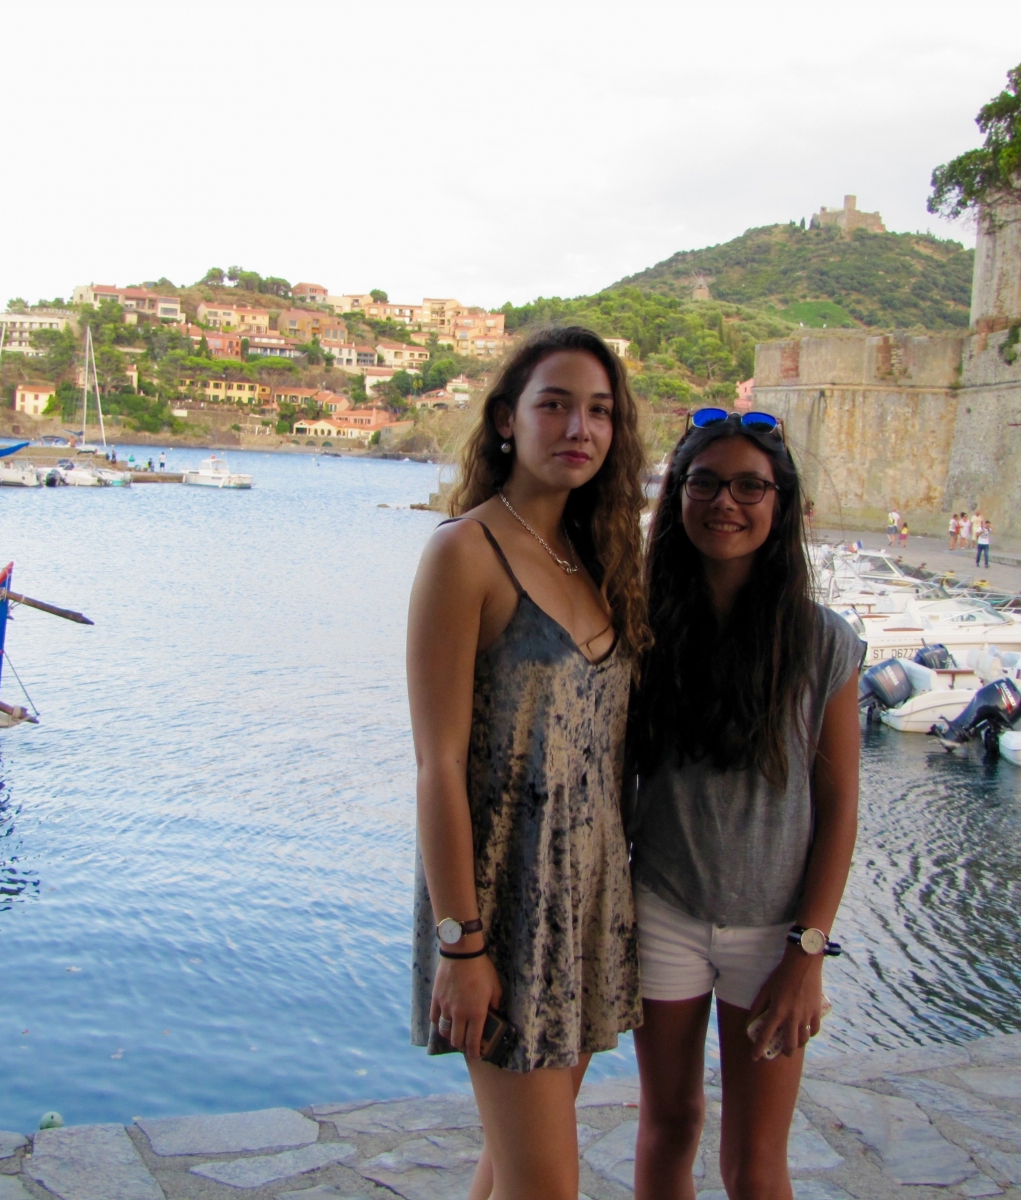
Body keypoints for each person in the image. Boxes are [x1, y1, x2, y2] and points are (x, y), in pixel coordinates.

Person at [407, 326, 648, 1200]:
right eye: (556, 405)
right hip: (500, 909)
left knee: (511, 1167)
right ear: (508, 420)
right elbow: (437, 764)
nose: (580, 427)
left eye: (600, 411)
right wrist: (460, 944)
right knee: (545, 1184)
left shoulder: (598, 559)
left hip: (585, 904)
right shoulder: (464, 553)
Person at [628, 411, 862, 1200]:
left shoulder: (822, 642)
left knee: (757, 1162)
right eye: (704, 482)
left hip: (775, 931)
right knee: (668, 1127)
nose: (725, 501)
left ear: (779, 503)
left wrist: (807, 952)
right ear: (678, 495)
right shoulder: (641, 625)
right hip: (663, 909)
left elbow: (839, 805)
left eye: (749, 486)